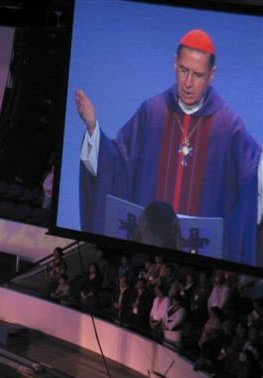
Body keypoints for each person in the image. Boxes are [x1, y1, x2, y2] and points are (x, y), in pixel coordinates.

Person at [76, 30, 262, 265]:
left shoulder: (228, 126)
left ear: (212, 75)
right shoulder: (152, 112)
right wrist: (93, 128)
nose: (188, 83)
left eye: (198, 75)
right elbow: (116, 166)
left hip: (197, 260)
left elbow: (251, 181)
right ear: (175, 64)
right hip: (147, 251)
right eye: (184, 70)